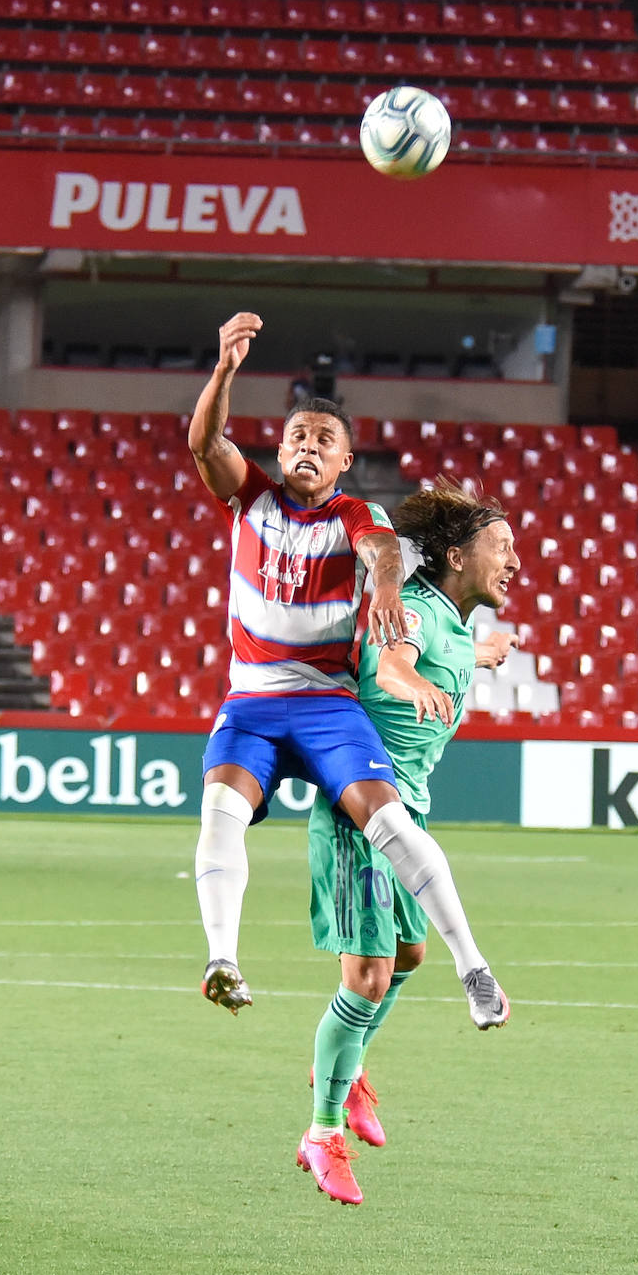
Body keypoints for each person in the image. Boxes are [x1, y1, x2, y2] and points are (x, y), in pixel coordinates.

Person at [188, 312, 509, 1038]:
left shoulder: (354, 514)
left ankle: (473, 966)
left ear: (341, 463)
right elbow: (204, 442)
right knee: (219, 814)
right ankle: (222, 959)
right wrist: (224, 371)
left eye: (323, 440)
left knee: (388, 820)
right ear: (279, 448)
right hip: (252, 703)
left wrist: (387, 587)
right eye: (298, 435)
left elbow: (383, 552)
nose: (308, 446)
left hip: (327, 706)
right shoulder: (252, 499)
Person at [297, 481, 520, 1205]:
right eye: (500, 547)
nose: (513, 561)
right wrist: (403, 682)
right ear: (456, 554)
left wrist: (484, 653)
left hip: (408, 812)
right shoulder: (417, 610)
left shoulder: (452, 621)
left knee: (410, 955)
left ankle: (348, 1065)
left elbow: (450, 650)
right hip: (360, 808)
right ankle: (322, 1129)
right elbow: (395, 657)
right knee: (363, 977)